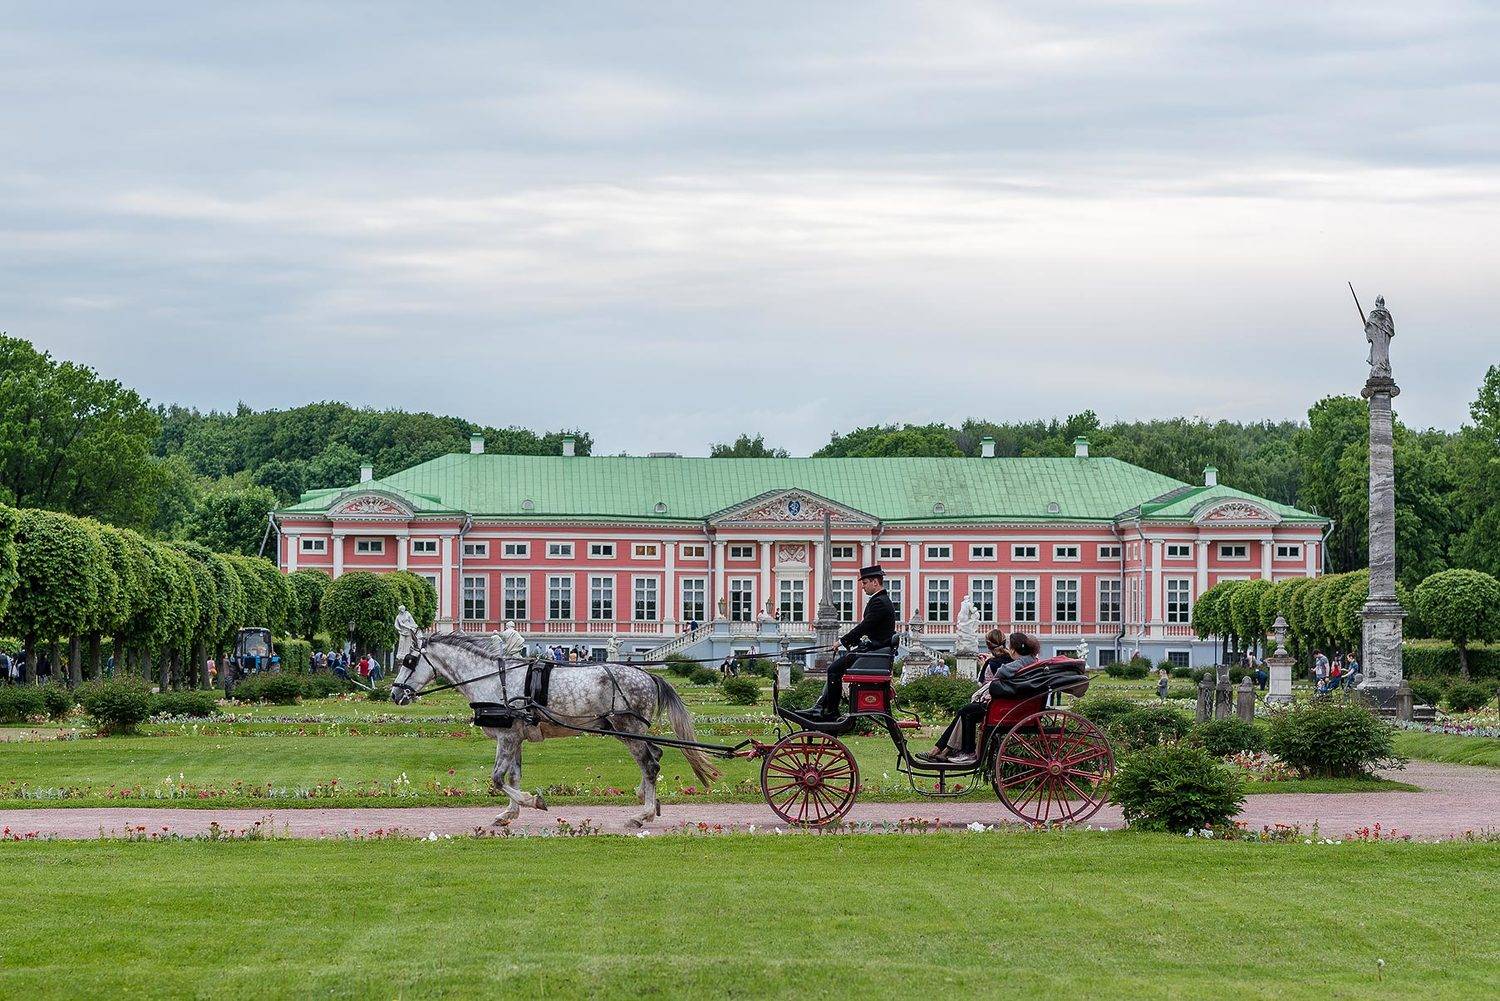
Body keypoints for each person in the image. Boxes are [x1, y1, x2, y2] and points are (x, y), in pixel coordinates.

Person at [918, 632, 1040, 765]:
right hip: (1016, 703)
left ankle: (964, 752)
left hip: (1006, 706)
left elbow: (1001, 672)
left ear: (1013, 649)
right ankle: (943, 750)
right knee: (965, 711)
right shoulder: (1031, 661)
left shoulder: (1018, 662)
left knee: (966, 711)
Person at [800, 565, 896, 719]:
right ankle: (820, 708)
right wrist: (851, 642)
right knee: (834, 669)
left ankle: (829, 711)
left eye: (865, 583)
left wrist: (842, 641)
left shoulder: (879, 602)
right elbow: (871, 628)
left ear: (875, 582)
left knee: (833, 670)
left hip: (874, 652)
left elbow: (865, 626)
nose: (863, 587)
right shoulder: (881, 600)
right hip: (873, 650)